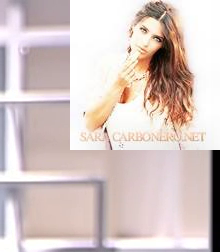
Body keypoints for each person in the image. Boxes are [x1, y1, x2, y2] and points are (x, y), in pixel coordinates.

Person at [82, 1, 196, 150]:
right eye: (143, 30)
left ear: (163, 46)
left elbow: (189, 143)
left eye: (157, 38)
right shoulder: (107, 66)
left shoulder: (171, 82)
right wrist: (118, 85)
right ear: (133, 26)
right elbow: (90, 123)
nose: (145, 42)